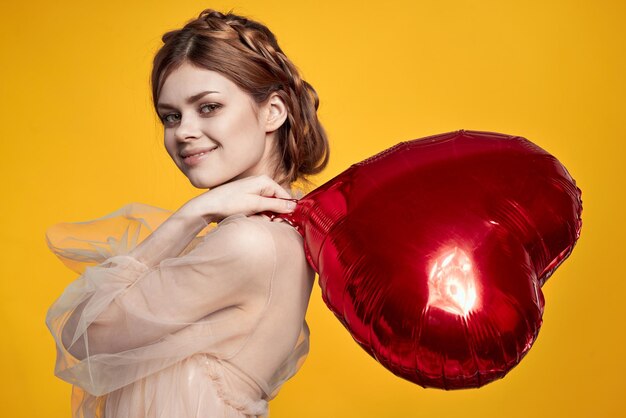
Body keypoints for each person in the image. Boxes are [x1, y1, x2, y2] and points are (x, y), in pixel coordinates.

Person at [45, 8, 329, 418]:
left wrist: (190, 214)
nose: (183, 131)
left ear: (273, 111)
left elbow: (84, 335)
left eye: (209, 107)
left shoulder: (247, 243)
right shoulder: (277, 229)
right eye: (171, 116)